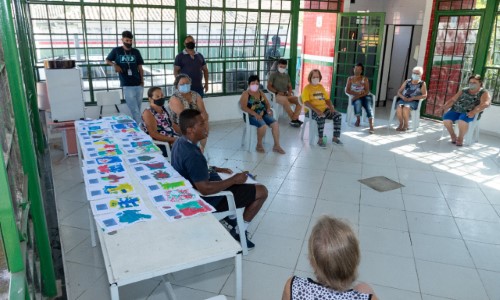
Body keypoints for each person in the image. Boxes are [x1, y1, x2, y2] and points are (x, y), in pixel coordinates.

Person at [171, 109, 268, 249]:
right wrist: (233, 180)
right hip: (211, 199)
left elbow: (193, 169)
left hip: (199, 188)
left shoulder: (180, 142)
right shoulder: (192, 155)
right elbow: (205, 189)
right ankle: (239, 231)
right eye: (202, 124)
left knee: (245, 182)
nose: (206, 126)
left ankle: (231, 219)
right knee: (261, 191)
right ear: (191, 130)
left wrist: (216, 169)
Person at [281, 216, 378, 300]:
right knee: (364, 288)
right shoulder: (366, 297)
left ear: (312, 262)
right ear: (355, 261)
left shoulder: (293, 287)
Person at [106, 30, 144, 124]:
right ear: (122, 39)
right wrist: (114, 65)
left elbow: (140, 67)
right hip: (127, 84)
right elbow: (107, 60)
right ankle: (140, 127)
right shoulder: (117, 50)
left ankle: (136, 127)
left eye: (130, 41)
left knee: (138, 108)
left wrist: (142, 81)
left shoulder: (136, 52)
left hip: (138, 83)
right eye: (127, 40)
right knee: (134, 109)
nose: (129, 43)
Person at [239, 75, 285, 154]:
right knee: (263, 125)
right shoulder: (246, 94)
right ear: (249, 84)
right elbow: (243, 107)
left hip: (263, 114)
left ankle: (276, 145)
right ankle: (259, 144)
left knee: (275, 124)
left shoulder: (260, 92)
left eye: (257, 83)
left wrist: (268, 109)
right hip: (251, 116)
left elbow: (267, 103)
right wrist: (255, 114)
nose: (255, 85)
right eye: (253, 83)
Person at [442, 74, 491, 146]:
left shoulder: (483, 92)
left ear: (480, 83)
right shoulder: (464, 90)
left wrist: (474, 111)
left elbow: (486, 103)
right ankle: (453, 135)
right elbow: (453, 100)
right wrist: (444, 107)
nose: (472, 84)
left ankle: (460, 138)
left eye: (474, 83)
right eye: (470, 82)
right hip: (456, 109)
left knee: (462, 121)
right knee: (446, 119)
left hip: (470, 112)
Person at [302, 69, 343, 147]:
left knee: (338, 115)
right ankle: (320, 140)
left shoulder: (321, 87)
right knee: (321, 117)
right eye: (314, 77)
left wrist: (331, 107)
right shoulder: (307, 88)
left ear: (320, 77)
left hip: (323, 109)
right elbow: (306, 102)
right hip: (311, 111)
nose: (315, 78)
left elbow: (327, 99)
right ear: (310, 77)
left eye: (317, 77)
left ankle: (335, 138)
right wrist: (317, 110)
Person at [168, 73, 209, 151]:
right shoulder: (175, 98)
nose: (185, 85)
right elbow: (184, 117)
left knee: (204, 123)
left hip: (195, 122)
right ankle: (194, 149)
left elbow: (203, 111)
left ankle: (202, 148)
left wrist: (204, 121)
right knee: (195, 129)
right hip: (179, 124)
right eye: (182, 84)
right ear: (177, 86)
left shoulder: (195, 95)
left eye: (187, 83)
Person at [140, 87, 178, 157]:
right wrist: (173, 139)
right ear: (150, 99)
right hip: (161, 144)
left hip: (173, 140)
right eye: (157, 96)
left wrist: (186, 133)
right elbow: (154, 134)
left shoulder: (164, 109)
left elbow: (172, 125)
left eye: (162, 95)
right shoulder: (148, 112)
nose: (161, 98)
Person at [267, 59, 303, 127]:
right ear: (278, 66)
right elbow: (269, 87)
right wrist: (277, 92)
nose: (282, 68)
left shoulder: (287, 76)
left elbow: (290, 86)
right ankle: (294, 119)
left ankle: (294, 119)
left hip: (286, 95)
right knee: (285, 100)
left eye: (284, 67)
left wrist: (289, 92)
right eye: (281, 66)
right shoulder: (273, 75)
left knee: (299, 100)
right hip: (277, 96)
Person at [394, 66, 427, 131]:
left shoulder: (422, 84)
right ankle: (401, 124)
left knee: (406, 107)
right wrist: (402, 97)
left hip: (413, 101)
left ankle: (406, 125)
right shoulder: (407, 81)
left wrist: (413, 98)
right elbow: (399, 91)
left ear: (420, 75)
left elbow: (424, 95)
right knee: (399, 107)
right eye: (414, 73)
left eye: (417, 73)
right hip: (403, 99)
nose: (415, 74)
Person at [345, 63, 374, 133]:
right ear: (353, 69)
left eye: (359, 69)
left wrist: (358, 96)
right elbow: (347, 90)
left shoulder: (365, 79)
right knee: (358, 103)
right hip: (356, 97)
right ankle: (358, 119)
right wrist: (356, 94)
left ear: (361, 70)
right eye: (356, 68)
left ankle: (371, 126)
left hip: (365, 96)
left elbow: (367, 91)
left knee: (368, 107)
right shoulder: (350, 79)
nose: (357, 70)